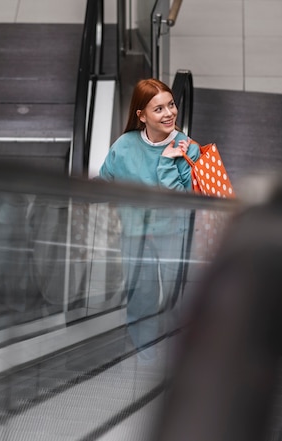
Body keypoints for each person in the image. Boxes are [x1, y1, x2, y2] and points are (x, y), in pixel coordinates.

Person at [98, 78, 200, 362]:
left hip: (174, 236)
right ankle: (147, 356)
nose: (169, 113)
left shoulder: (188, 149)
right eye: (158, 109)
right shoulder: (125, 146)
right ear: (141, 115)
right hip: (135, 235)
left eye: (171, 105)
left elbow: (185, 203)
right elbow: (105, 183)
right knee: (141, 296)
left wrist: (168, 163)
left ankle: (179, 355)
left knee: (176, 295)